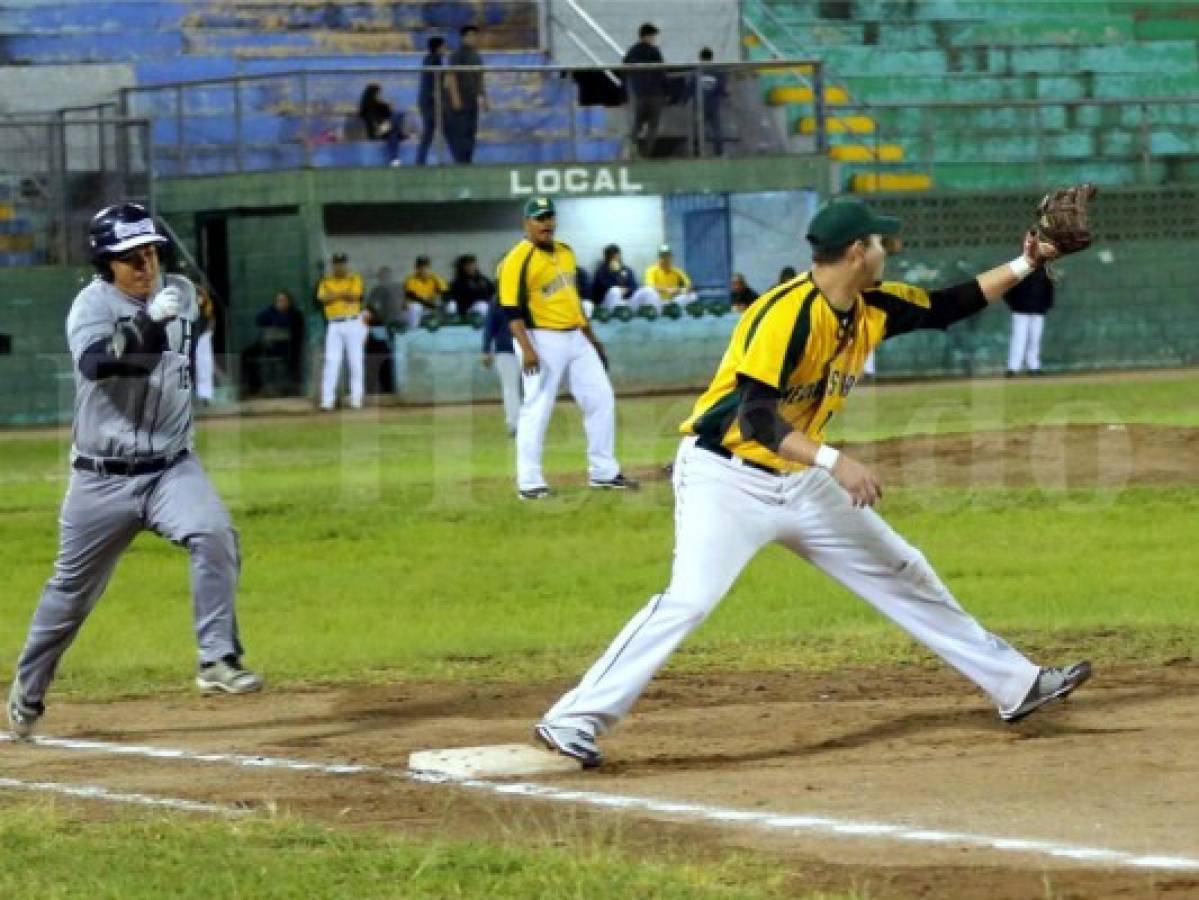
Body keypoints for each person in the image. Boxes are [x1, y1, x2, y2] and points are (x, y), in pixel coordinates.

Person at [532, 197, 1092, 767]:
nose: (888, 251)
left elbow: (950, 303)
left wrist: (1029, 261)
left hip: (801, 480)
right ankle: (571, 721)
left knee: (903, 571)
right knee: (688, 601)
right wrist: (833, 460)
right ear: (856, 252)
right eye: (880, 243)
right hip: (726, 479)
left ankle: (1015, 685)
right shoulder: (785, 314)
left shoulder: (872, 305)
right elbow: (754, 417)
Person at [6, 204, 263, 740]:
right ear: (106, 264)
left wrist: (163, 313)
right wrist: (149, 322)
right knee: (70, 593)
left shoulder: (181, 294)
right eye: (131, 258)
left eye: (151, 253)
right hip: (101, 478)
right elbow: (106, 366)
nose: (146, 266)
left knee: (214, 532)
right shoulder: (89, 308)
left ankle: (216, 658)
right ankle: (28, 693)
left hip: (171, 467)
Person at [499, 197, 638, 499]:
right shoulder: (516, 259)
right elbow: (511, 310)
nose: (546, 223)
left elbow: (572, 302)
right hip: (540, 338)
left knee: (601, 398)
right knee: (537, 408)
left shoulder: (565, 252)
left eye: (549, 217)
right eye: (538, 218)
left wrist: (593, 339)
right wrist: (527, 349)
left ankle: (604, 472)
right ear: (526, 224)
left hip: (576, 336)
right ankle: (529, 482)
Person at [316, 252, 366, 410]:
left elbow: (355, 296)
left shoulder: (355, 278)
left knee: (355, 361)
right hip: (334, 324)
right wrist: (343, 294)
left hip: (353, 322)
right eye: (337, 263)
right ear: (333, 265)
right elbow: (323, 299)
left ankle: (356, 399)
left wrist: (335, 295)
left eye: (342, 263)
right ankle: (327, 401)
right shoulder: (325, 281)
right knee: (332, 361)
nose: (340, 266)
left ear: (346, 264)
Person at [242, 290, 305, 397]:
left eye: (283, 300)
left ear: (289, 302)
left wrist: (278, 322)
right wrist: (273, 313)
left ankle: (292, 389)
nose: (280, 303)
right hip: (267, 344)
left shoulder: (294, 313)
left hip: (286, 347)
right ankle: (254, 388)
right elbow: (259, 319)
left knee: (293, 358)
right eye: (278, 300)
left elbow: (292, 328)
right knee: (247, 354)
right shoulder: (271, 310)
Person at [444, 24, 488, 164]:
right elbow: (451, 77)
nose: (472, 39)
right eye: (469, 36)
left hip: (472, 100)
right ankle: (460, 161)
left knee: (471, 131)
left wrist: (483, 97)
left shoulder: (476, 56)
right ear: (463, 38)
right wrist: (455, 98)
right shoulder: (456, 55)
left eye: (474, 36)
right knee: (460, 132)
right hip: (459, 101)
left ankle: (468, 160)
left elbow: (480, 78)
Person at [623, 22, 667, 158]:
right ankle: (645, 154)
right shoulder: (654, 51)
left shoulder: (633, 51)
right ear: (646, 36)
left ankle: (633, 150)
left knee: (637, 124)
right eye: (652, 36)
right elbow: (662, 73)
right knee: (652, 126)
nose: (653, 38)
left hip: (640, 94)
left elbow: (624, 68)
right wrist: (665, 91)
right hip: (653, 95)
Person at [1005, 265, 1054, 377]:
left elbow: (1049, 289)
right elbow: (1007, 289)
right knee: (1019, 339)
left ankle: (1034, 367)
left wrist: (1046, 305)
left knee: (1035, 340)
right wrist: (1014, 304)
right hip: (1020, 311)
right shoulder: (1018, 268)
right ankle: (1013, 368)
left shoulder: (1044, 270)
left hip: (1038, 311)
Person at [481, 296, 519, 436]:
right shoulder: (498, 299)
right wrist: (486, 349)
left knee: (529, 389)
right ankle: (514, 424)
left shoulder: (528, 292)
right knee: (510, 388)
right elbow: (489, 325)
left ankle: (527, 423)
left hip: (528, 348)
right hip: (505, 349)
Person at [592, 244, 657, 313]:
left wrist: (626, 290)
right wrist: (615, 273)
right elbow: (606, 289)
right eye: (612, 256)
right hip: (606, 305)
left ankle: (653, 315)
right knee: (615, 291)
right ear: (606, 257)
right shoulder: (601, 271)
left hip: (627, 301)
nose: (615, 258)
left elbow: (634, 286)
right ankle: (616, 318)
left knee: (647, 290)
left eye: (616, 255)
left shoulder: (626, 269)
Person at [358, 83, 408, 167]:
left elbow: (387, 115)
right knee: (398, 116)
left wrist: (387, 107)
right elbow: (374, 123)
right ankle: (399, 135)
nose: (379, 95)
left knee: (393, 134)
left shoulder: (380, 105)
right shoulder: (367, 108)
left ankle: (394, 160)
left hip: (385, 129)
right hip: (377, 132)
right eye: (378, 93)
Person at [417, 36, 447, 166]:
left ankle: (422, 160)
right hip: (431, 101)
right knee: (430, 131)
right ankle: (421, 160)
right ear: (439, 47)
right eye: (444, 46)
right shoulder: (435, 60)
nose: (445, 49)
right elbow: (436, 82)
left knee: (432, 130)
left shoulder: (428, 59)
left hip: (427, 100)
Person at [643, 243, 698, 308]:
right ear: (659, 258)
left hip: (671, 301)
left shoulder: (677, 271)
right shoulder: (651, 270)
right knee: (648, 291)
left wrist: (680, 290)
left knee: (693, 295)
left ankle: (672, 308)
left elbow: (689, 285)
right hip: (657, 301)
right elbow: (650, 287)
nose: (665, 259)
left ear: (671, 257)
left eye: (667, 256)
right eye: (663, 256)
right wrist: (667, 289)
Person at [696, 46, 727, 156]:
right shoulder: (718, 72)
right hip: (714, 104)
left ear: (700, 58)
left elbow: (691, 87)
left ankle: (698, 152)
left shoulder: (697, 71)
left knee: (699, 129)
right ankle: (719, 153)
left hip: (700, 104)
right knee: (716, 129)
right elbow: (722, 89)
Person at [403, 255, 448, 330]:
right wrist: (430, 304)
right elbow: (412, 296)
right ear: (416, 268)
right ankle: (413, 331)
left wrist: (442, 303)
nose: (423, 269)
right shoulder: (410, 279)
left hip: (430, 306)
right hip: (413, 309)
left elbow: (445, 292)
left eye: (426, 267)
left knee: (451, 305)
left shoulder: (435, 278)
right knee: (415, 307)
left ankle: (446, 329)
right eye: (420, 267)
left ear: (429, 267)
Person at [449, 253, 495, 320]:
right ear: (462, 267)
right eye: (467, 265)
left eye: (472, 265)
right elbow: (459, 299)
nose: (470, 267)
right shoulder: (458, 283)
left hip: (485, 307)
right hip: (467, 310)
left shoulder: (483, 280)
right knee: (482, 306)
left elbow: (492, 293)